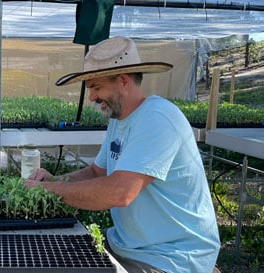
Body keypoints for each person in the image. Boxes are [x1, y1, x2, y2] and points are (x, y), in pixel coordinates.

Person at [25, 37, 220, 273]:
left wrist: (48, 191)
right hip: (127, 244)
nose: (92, 98)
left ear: (123, 81)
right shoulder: (119, 120)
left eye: (96, 88)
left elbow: (120, 192)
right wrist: (55, 180)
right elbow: (98, 172)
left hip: (171, 257)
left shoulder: (157, 119)